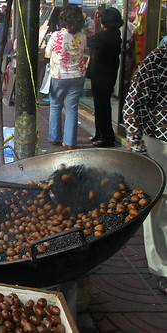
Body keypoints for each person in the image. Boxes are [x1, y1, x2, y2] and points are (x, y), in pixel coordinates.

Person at [122, 43, 167, 296]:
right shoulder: (159, 59)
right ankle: (163, 268)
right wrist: (138, 147)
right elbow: (132, 104)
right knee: (161, 208)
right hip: (161, 141)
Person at [45, 4, 86, 150]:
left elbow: (47, 53)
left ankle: (55, 138)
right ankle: (69, 142)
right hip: (78, 75)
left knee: (56, 106)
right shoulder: (82, 36)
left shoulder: (56, 36)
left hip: (59, 76)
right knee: (72, 108)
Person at [87, 8, 123, 148]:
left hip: (102, 75)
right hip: (107, 74)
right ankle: (99, 134)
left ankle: (107, 138)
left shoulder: (105, 36)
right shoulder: (116, 34)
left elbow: (88, 41)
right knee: (101, 105)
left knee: (102, 106)